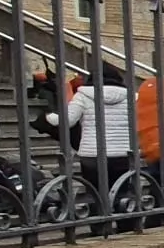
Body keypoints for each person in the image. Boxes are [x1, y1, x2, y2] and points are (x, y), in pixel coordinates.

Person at [44, 63, 134, 197]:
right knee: (120, 193)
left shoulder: (83, 95)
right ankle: (124, 216)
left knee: (94, 194)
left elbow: (67, 121)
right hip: (122, 153)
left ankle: (98, 214)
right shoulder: (131, 97)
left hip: (92, 154)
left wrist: (48, 116)